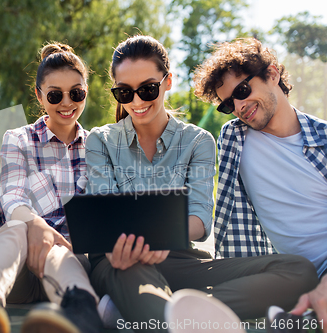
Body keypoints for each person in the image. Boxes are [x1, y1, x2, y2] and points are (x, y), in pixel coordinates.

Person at [84, 35, 318, 332]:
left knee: (300, 272)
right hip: (120, 260)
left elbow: (199, 219)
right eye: (125, 93)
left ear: (168, 81)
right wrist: (137, 241)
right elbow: (103, 214)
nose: (138, 101)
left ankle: (156, 314)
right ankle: (174, 316)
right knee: (132, 270)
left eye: (147, 89)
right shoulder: (100, 140)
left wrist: (159, 236)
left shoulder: (197, 141)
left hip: (182, 260)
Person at [0, 42, 102, 333]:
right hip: (14, 270)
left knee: (57, 247)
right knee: (16, 225)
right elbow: (12, 196)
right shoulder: (19, 138)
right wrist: (36, 224)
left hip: (69, 266)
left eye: (76, 93)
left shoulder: (97, 146)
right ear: (40, 96)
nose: (67, 103)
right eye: (55, 95)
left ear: (86, 93)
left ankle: (81, 312)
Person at [193, 37, 327, 331]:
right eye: (229, 103)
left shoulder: (324, 140)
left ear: (273, 73)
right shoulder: (234, 138)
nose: (239, 106)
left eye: (242, 90)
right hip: (283, 276)